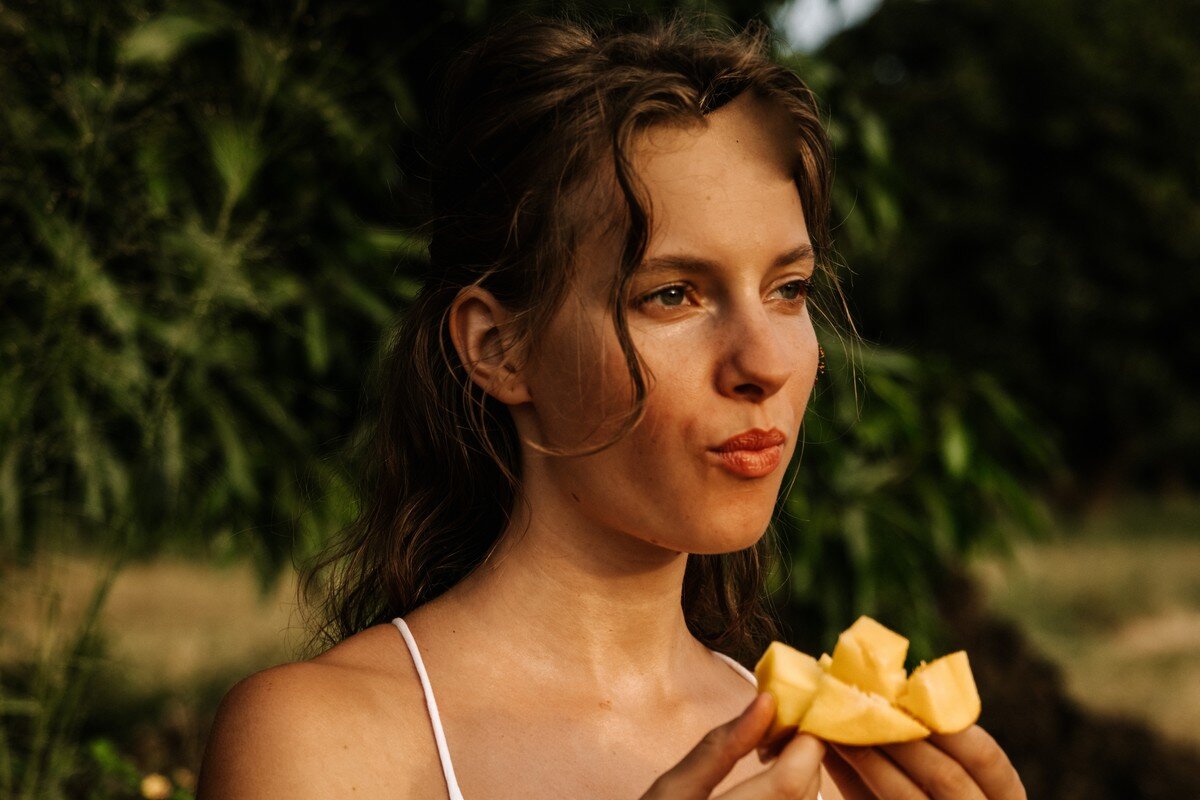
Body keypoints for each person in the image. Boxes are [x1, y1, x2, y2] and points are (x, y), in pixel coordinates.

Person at [197, 12, 1026, 800]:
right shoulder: (318, 742)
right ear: (499, 347)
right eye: (672, 294)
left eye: (789, 289)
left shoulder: (836, 766)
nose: (766, 363)